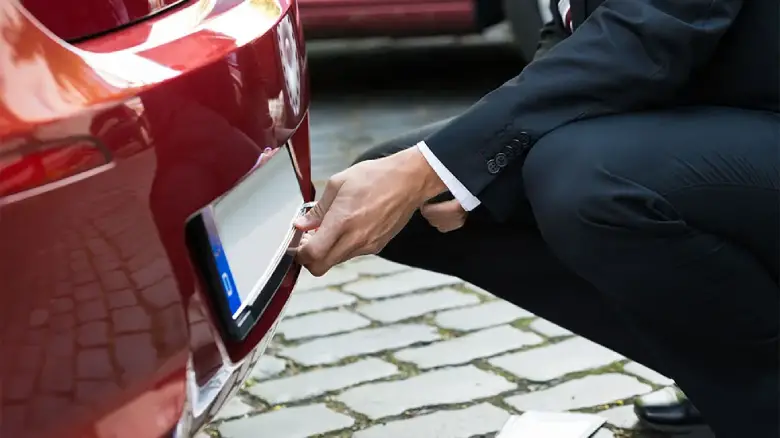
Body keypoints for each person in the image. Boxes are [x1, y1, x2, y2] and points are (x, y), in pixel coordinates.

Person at [294, 0, 780, 436]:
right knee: (414, 205)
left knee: (584, 181)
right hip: (708, 112)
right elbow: (571, 25)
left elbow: (651, 27)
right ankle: (720, 379)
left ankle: (761, 400)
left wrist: (431, 167)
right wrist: (465, 162)